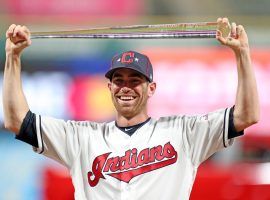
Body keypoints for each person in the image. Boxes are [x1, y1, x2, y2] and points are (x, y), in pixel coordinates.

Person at [3, 18, 259, 200]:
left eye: (135, 80)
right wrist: (13, 58)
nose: (126, 87)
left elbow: (246, 115)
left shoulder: (184, 132)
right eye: (119, 80)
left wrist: (242, 55)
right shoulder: (81, 137)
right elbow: (17, 121)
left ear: (151, 88)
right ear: (109, 88)